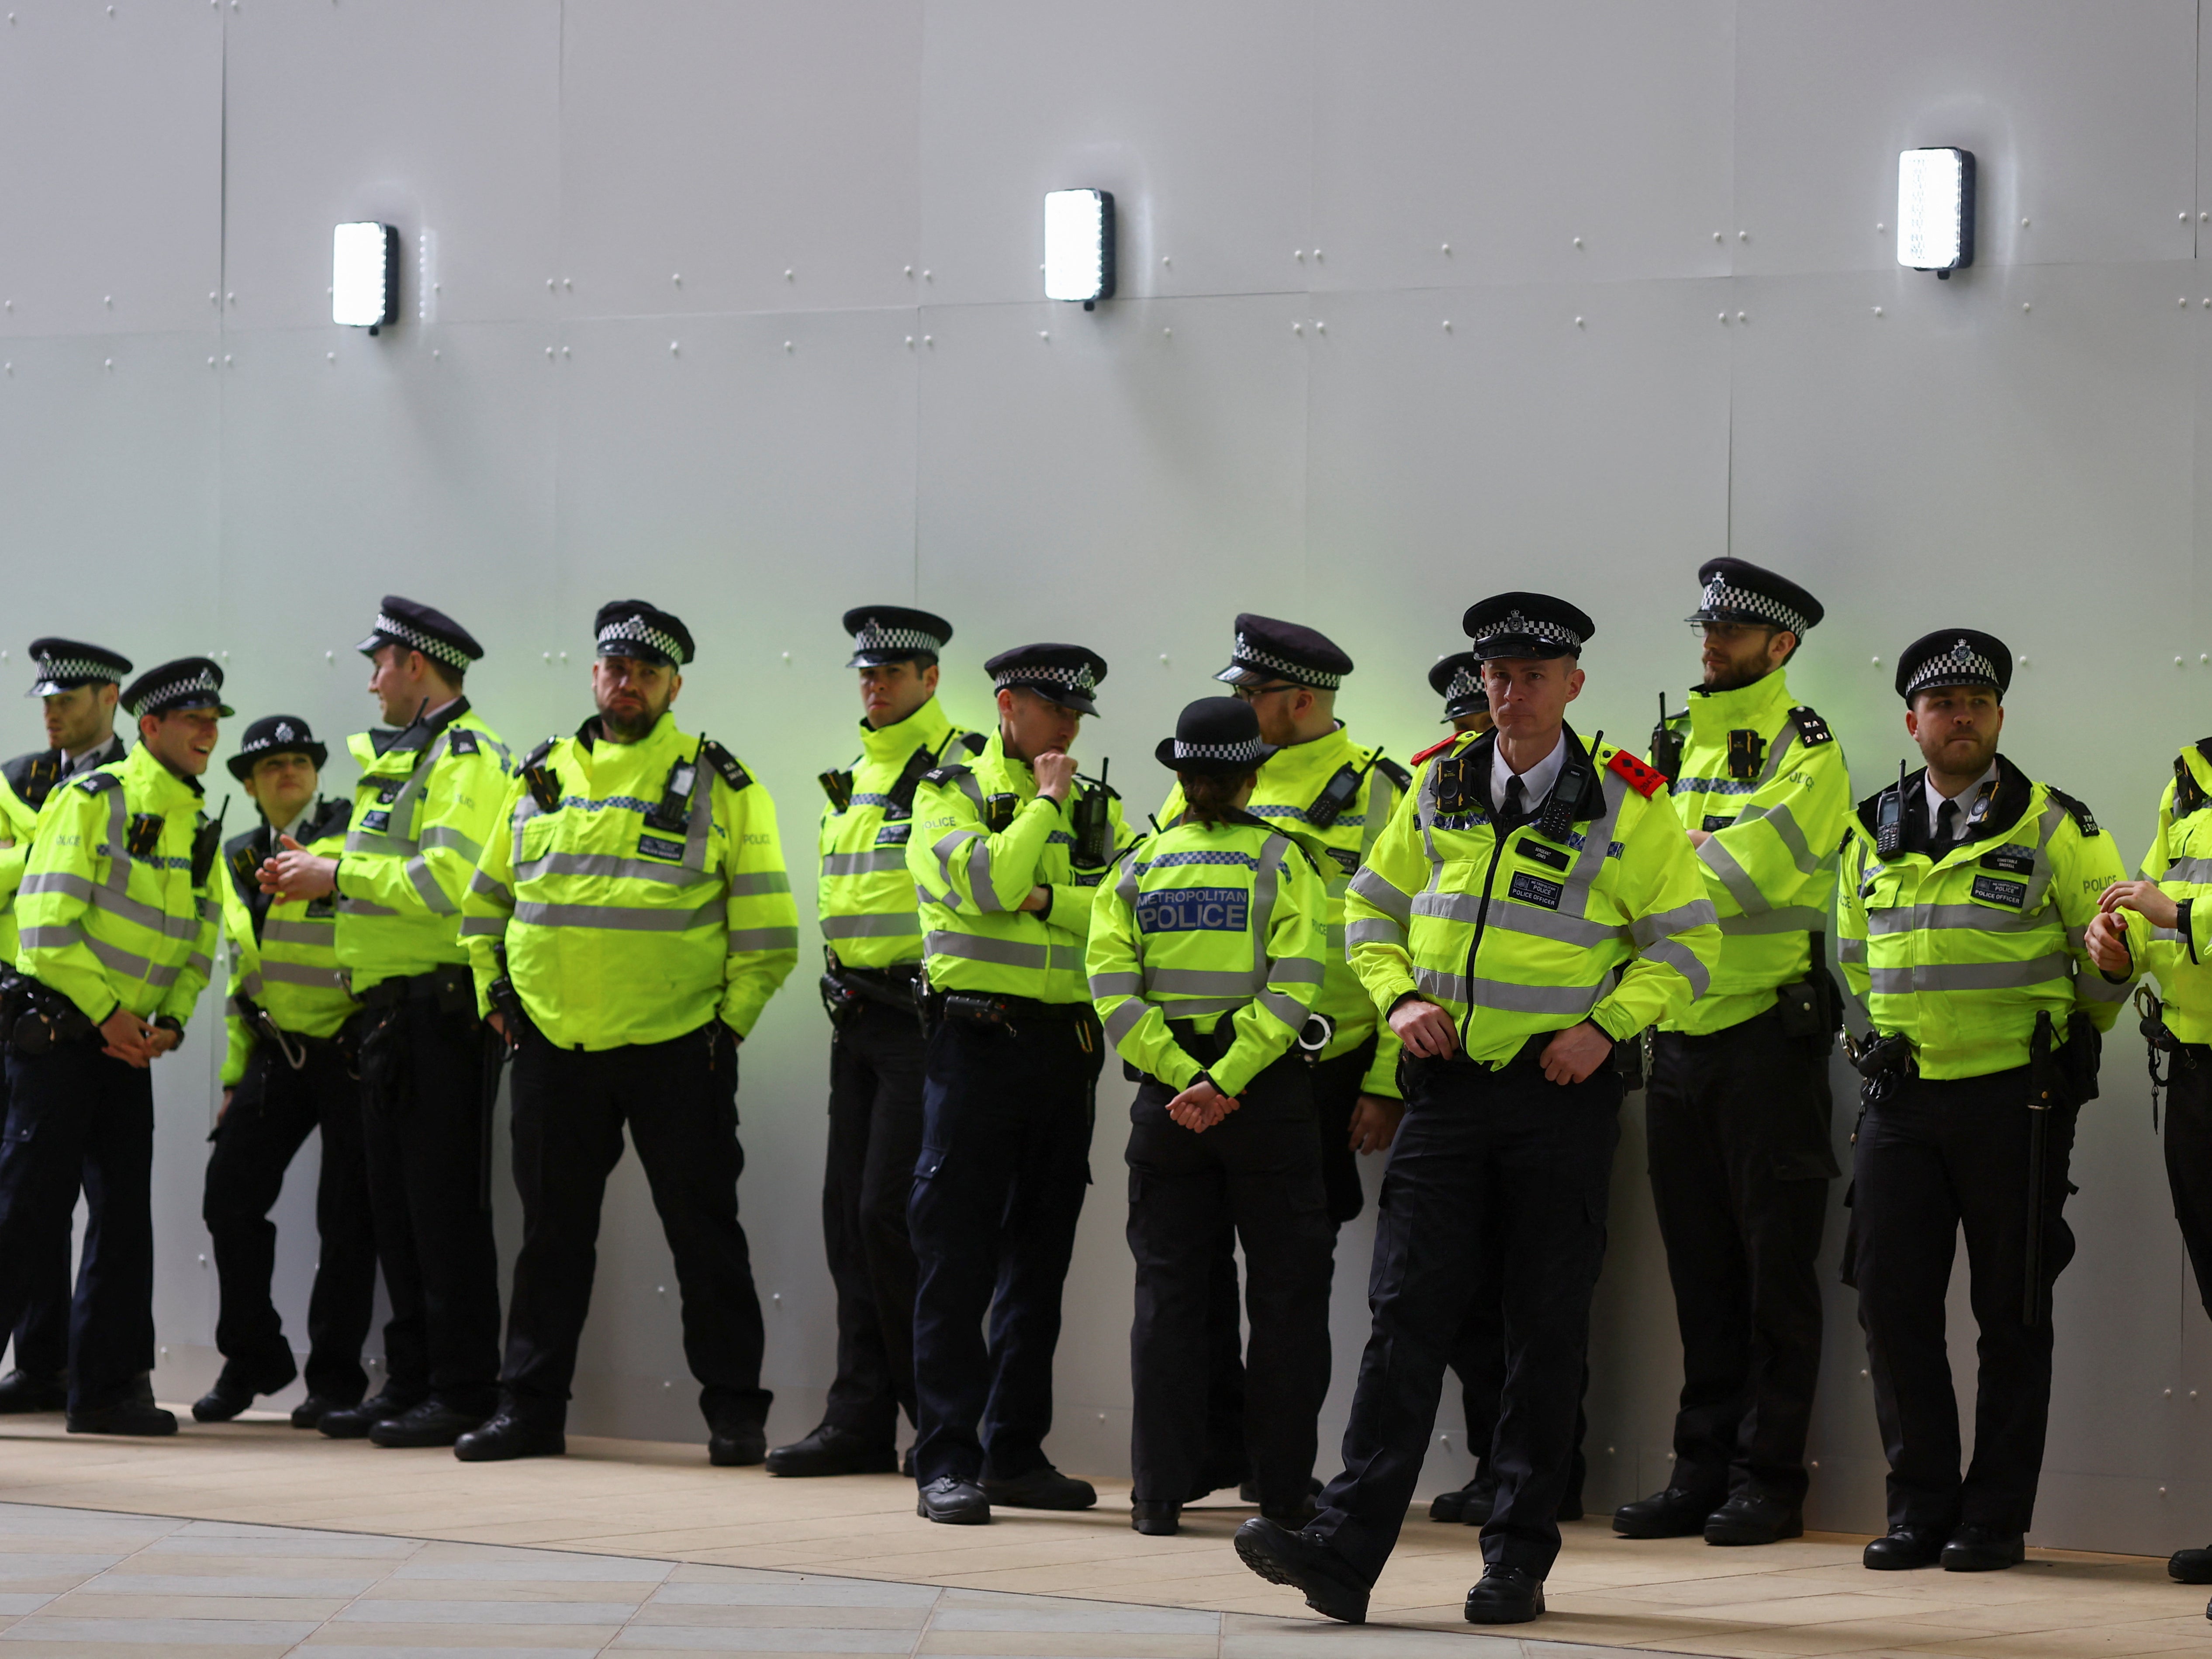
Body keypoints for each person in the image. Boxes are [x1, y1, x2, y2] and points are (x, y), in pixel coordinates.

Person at [1233, 592, 1719, 1627]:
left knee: (1542, 1330)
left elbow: (1686, 943)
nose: (1511, 696)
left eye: (1533, 677)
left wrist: (1609, 1027)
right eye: (1496, 677)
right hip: (1447, 1099)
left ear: (1574, 686)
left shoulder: (1629, 802)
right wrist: (1399, 996)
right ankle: (1345, 1551)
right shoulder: (1440, 780)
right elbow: (1371, 904)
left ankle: (1516, 1562)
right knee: (1403, 1317)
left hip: (1558, 1099)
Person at [452, 601, 798, 1465]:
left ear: (675, 685)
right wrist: (499, 999)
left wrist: (729, 1028)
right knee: (549, 1243)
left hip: (679, 1050)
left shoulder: (720, 780)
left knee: (706, 1238)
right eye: (615, 667)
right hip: (551, 1049)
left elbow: (769, 933)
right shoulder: (539, 776)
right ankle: (528, 1412)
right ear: (594, 673)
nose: (628, 683)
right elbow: (485, 906)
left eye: (647, 671)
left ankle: (734, 1414)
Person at [1838, 629, 2129, 1573]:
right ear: (1913, 720)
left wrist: (2105, 985)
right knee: (1892, 1304)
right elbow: (1852, 954)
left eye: (1978, 702)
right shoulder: (1869, 824)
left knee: (2014, 1314)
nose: (1961, 716)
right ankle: (1919, 1508)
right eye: (1943, 703)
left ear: (1999, 717)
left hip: (2020, 1101)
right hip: (1903, 1101)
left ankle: (1992, 1518)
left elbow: (2107, 967)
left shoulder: (2057, 825)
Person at [1614, 559, 1850, 1548]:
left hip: (1766, 1041)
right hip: (1677, 1044)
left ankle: (1770, 1482)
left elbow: (1741, 878)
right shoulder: (1669, 745)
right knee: (1702, 1275)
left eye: (1734, 634)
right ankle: (1699, 1472)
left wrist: (1651, 875)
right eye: (1707, 629)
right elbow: (1623, 865)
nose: (1711, 645)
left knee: (1774, 1278)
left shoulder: (1810, 752)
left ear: (1780, 646)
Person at [1161, 618, 1409, 1503]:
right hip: (1198, 1073)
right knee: (1187, 1281)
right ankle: (1205, 1458)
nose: (1235, 708)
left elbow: (1409, 945)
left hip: (1318, 1074)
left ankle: (1282, 1478)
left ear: (1300, 701)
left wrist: (1385, 1083)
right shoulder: (1204, 778)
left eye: (1249, 695)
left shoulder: (1383, 793)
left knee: (1291, 1290)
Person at [260, 597, 512, 1448]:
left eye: (380, 665)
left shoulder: (469, 760)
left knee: (443, 1210)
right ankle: (411, 1381)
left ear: (416, 663)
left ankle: (465, 1388)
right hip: (388, 1014)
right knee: (396, 1211)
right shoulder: (408, 759)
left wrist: (335, 872)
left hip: (440, 1011)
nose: (371, 682)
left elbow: (447, 880)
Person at [905, 643, 1137, 1525]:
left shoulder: (1099, 804)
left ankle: (1013, 1453)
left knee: (1039, 1261)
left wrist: (1044, 899)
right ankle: (946, 1462)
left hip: (1065, 1046)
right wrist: (1041, 811)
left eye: (1079, 710)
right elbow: (990, 881)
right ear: (1009, 705)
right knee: (955, 1260)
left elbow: (1111, 909)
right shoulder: (948, 789)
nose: (1072, 725)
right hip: (975, 1040)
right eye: (1055, 707)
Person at [1094, 698, 1334, 1538]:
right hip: (1263, 1099)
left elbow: (1112, 991)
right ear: (1252, 775)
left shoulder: (1136, 867)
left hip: (1168, 1111)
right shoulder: (1284, 861)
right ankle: (1282, 1493)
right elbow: (1298, 979)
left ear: (1181, 776)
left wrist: (1181, 1079)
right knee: (1287, 1300)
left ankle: (1158, 1493)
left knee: (1166, 1297)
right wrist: (1228, 1076)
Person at [770, 607, 983, 1479]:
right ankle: (859, 1415)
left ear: (931, 678)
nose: (876, 682)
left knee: (891, 1219)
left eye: (894, 671)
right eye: (867, 670)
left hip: (920, 1021)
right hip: (855, 1017)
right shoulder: (859, 774)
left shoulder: (961, 766)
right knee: (846, 1227)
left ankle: (936, 1418)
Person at [0, 657, 229, 1435]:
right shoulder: (92, 799)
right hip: (65, 1041)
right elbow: (44, 928)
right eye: (193, 719)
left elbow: (200, 942)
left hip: (127, 1050)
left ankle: (103, 1392)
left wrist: (172, 1020)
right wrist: (109, 1015)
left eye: (214, 719)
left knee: (124, 1221)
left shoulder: (197, 821)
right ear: (150, 726)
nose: (209, 731)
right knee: (24, 1216)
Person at [194, 716, 374, 1430]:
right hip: (275, 1051)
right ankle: (255, 1355)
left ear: (317, 772)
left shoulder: (351, 836)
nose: (287, 772)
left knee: (348, 1219)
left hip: (352, 1049)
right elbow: (246, 973)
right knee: (228, 1198)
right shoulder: (236, 855)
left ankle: (334, 1379)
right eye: (271, 766)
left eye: (300, 760)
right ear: (249, 783)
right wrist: (236, 1075)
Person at [2091, 736, 2212, 1609]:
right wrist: (2120, 939)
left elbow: (2177, 906)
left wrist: (2180, 918)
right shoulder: (2192, 776)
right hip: (2199, 1075)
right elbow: (2147, 898)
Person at [0, 637, 133, 1414]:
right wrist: (45, 862)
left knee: (108, 1204)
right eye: (45, 701)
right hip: (20, 1009)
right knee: (29, 1199)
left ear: (108, 697)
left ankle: (99, 1375)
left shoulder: (132, 786)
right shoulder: (20, 779)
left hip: (106, 1013)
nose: (52, 712)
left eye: (68, 700)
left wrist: (32, 859)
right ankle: (37, 1363)